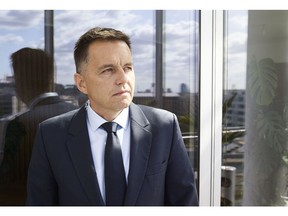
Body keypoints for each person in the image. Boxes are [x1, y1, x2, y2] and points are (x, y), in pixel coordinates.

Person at [26, 27, 199, 206]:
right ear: (81, 83)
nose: (123, 78)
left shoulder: (165, 126)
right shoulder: (51, 135)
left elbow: (184, 203)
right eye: (108, 70)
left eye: (128, 67)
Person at [0, 48, 78, 205]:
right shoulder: (79, 115)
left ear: (21, 81)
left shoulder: (20, 124)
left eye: (15, 78)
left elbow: (10, 185)